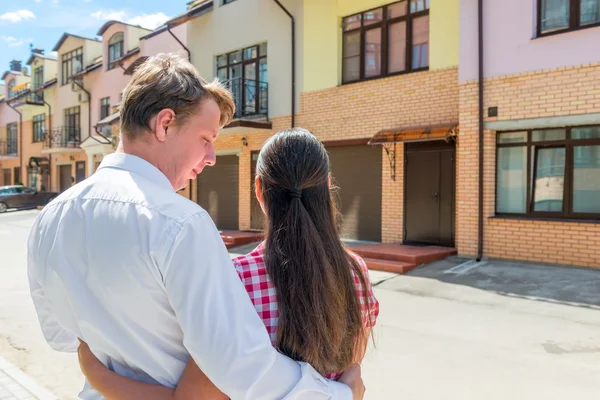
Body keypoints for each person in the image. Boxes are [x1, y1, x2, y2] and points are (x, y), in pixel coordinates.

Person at [27, 54, 364, 399]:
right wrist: (339, 394)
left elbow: (61, 337)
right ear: (165, 124)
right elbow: (241, 365)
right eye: (206, 138)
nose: (212, 156)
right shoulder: (180, 223)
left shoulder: (49, 219)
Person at [76, 128, 380, 399]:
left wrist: (96, 373)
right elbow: (351, 372)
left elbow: (195, 396)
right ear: (327, 186)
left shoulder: (232, 280)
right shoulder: (357, 273)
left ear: (259, 190)